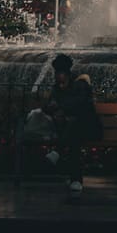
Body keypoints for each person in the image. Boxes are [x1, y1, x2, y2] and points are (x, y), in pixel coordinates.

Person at [41, 53, 98, 195]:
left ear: (66, 73)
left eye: (59, 73)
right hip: (68, 130)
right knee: (73, 137)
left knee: (75, 126)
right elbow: (48, 105)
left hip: (89, 128)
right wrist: (51, 107)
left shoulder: (81, 84)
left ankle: (58, 152)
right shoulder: (57, 88)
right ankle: (75, 180)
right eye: (56, 73)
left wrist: (61, 108)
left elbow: (82, 104)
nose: (57, 76)